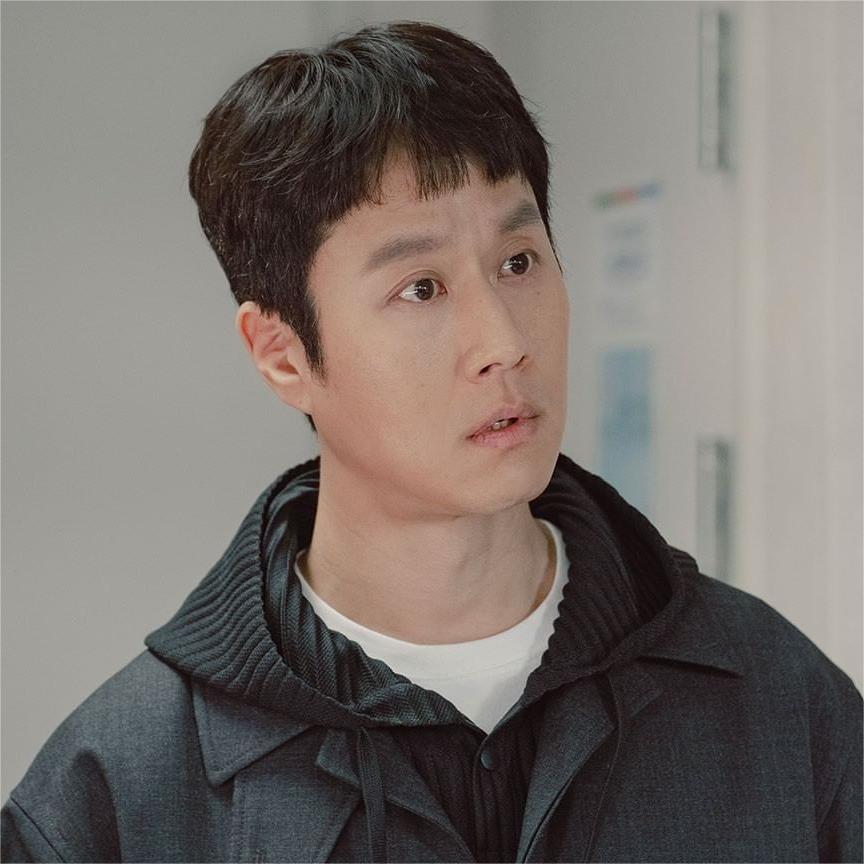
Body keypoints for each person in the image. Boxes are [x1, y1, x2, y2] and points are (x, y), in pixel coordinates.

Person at [2, 20, 861, 864]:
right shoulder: (118, 796)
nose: (503, 342)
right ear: (283, 355)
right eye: (421, 288)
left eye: (518, 261)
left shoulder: (783, 702)